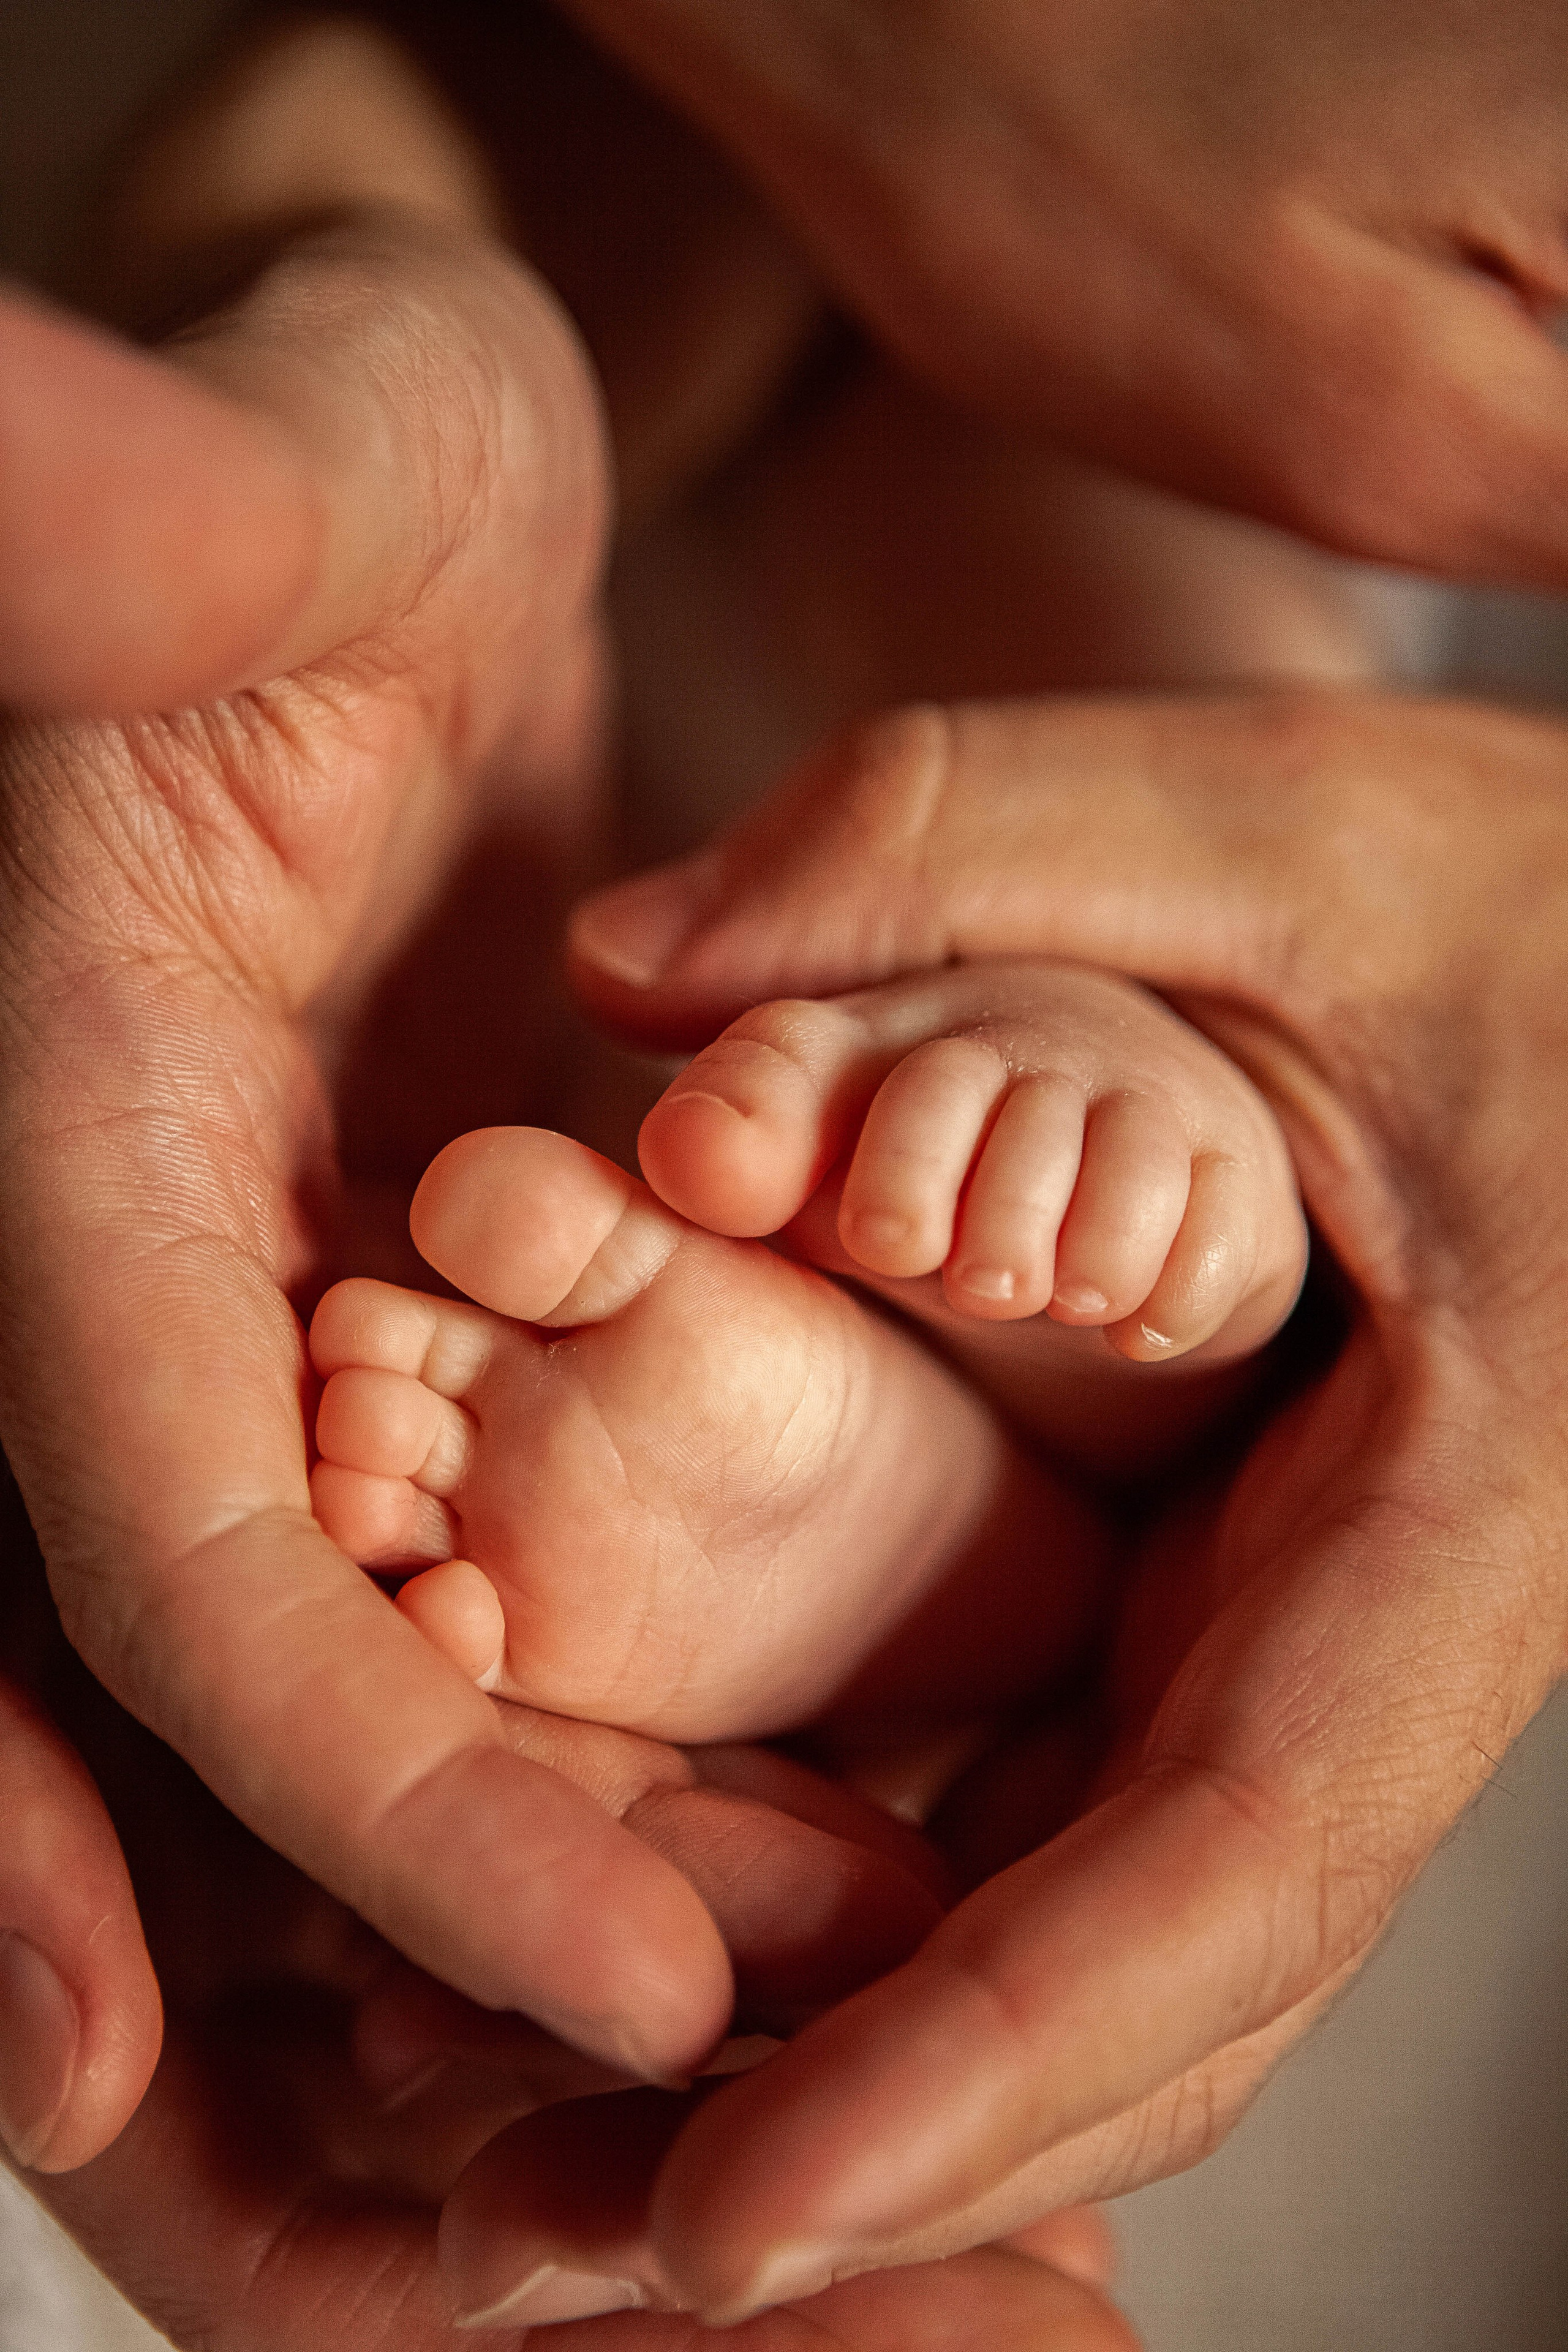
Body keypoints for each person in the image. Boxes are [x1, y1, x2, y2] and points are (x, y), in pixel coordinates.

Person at [4, 4, 1568, 2343]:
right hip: (904, 638)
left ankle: (954, 1448)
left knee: (1130, 735)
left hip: (758, 748)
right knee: (1122, 750)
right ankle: (992, 1394)